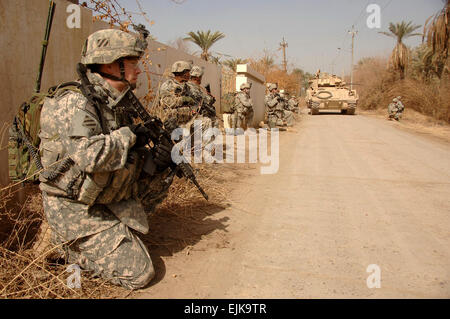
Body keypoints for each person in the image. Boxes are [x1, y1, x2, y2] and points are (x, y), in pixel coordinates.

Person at [38, 29, 174, 290]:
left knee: (163, 171)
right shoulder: (75, 101)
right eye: (133, 63)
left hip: (96, 195)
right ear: (112, 64)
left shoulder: (114, 101)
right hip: (71, 207)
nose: (139, 70)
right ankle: (62, 242)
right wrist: (130, 135)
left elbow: (123, 158)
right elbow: (92, 157)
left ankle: (116, 233)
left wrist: (155, 161)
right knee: (140, 273)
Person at [158, 60, 196, 133]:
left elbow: (193, 102)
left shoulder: (188, 86)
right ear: (182, 72)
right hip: (172, 123)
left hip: (187, 120)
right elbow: (165, 102)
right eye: (188, 72)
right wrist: (183, 99)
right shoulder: (168, 85)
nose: (189, 75)